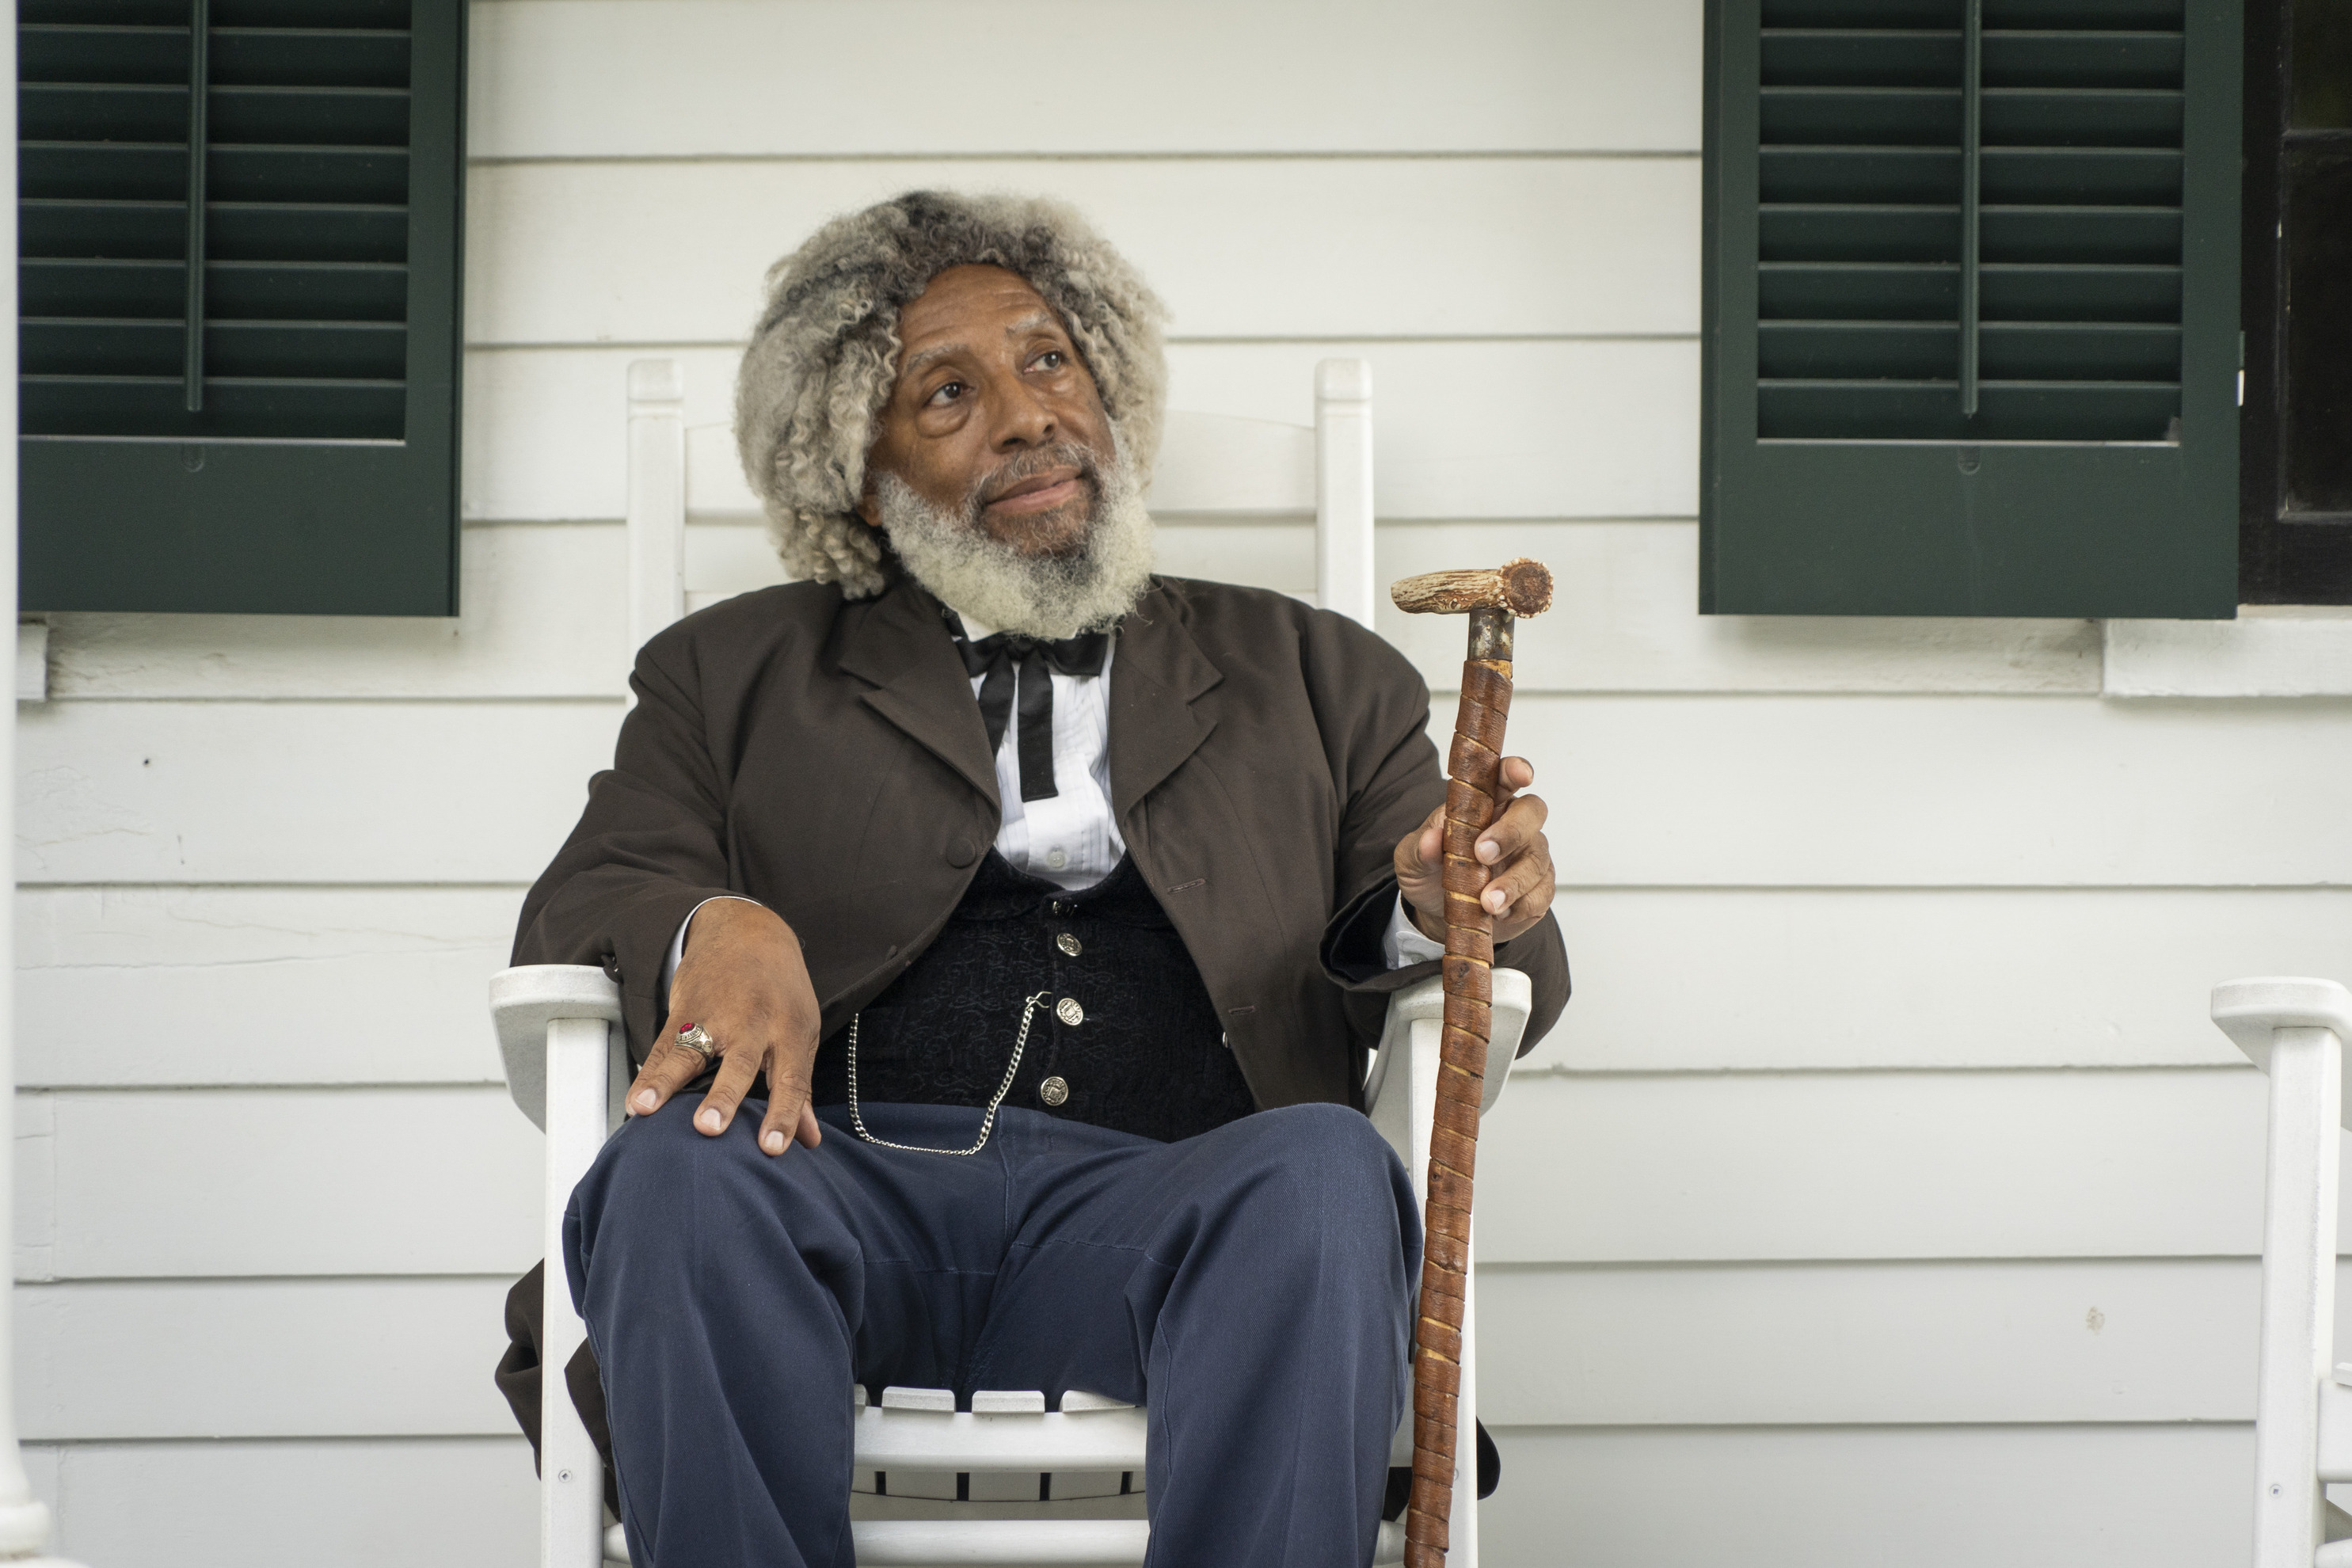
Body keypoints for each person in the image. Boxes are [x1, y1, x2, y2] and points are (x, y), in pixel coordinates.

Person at [493, 189, 1568, 1568]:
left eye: (1047, 359)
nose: (1024, 415)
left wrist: (1446, 900)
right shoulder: (729, 673)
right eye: (947, 392)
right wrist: (718, 919)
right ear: (856, 467)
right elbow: (601, 885)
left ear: (1106, 383)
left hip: (1172, 1216)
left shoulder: (1319, 673)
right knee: (672, 1178)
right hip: (830, 1192)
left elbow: (1507, 955)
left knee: (1324, 1170)